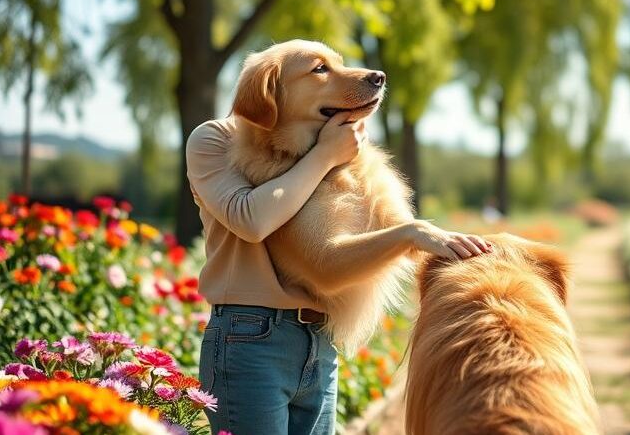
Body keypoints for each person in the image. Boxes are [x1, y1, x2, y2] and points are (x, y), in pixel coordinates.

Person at [186, 112, 490, 435]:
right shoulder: (214, 138)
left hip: (320, 344)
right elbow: (251, 219)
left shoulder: (328, 144)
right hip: (249, 339)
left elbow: (374, 237)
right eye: (320, 70)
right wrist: (326, 156)